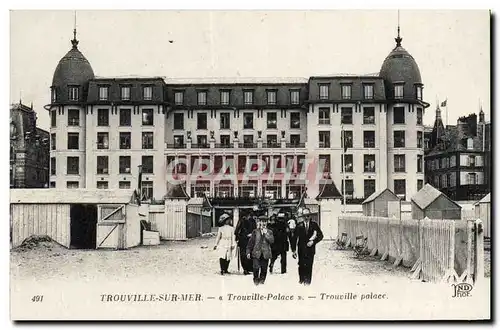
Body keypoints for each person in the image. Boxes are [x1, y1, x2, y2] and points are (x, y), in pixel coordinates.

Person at [290, 208, 324, 285]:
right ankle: (301, 280)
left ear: (310, 216)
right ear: (302, 216)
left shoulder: (314, 225)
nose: (306, 217)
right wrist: (293, 250)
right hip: (301, 250)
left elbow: (321, 235)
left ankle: (307, 283)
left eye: (307, 216)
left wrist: (313, 241)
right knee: (301, 265)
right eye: (304, 216)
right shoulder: (299, 225)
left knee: (309, 265)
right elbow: (294, 238)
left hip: (310, 250)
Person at [246, 215, 274, 285]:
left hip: (265, 254)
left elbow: (272, 241)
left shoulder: (269, 232)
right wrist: (248, 252)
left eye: (265, 221)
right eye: (262, 221)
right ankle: (256, 283)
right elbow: (251, 243)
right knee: (256, 269)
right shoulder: (255, 231)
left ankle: (262, 283)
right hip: (256, 253)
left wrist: (266, 233)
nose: (264, 223)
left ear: (267, 223)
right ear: (259, 222)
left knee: (264, 270)